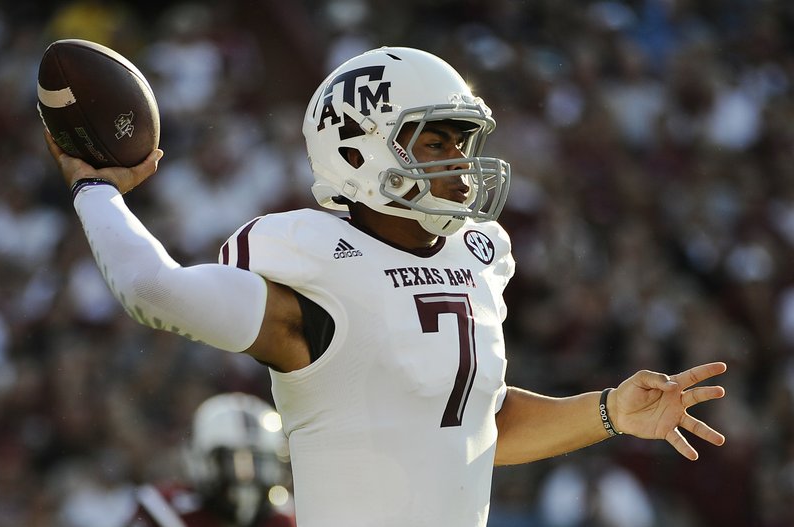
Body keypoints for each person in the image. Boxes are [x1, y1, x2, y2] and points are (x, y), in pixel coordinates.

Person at [44, 46, 727, 527]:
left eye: (464, 141)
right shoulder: (312, 267)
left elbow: (470, 424)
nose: (462, 162)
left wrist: (608, 409)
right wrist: (96, 190)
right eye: (436, 143)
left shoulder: (476, 254)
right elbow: (151, 288)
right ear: (355, 152)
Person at [124, 392, 296, 527]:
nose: (245, 476)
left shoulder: (287, 518)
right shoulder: (162, 510)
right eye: (229, 462)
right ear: (200, 461)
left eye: (258, 462)